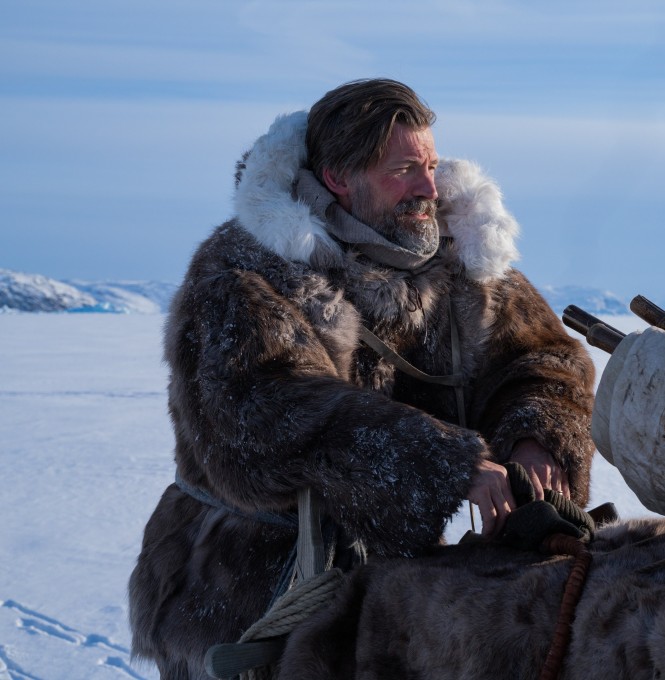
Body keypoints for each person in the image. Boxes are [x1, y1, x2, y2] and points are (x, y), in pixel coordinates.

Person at [128, 78, 596, 679]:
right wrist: (446, 463)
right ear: (337, 178)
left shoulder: (466, 264)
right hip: (241, 581)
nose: (429, 188)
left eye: (429, 165)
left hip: (399, 586)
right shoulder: (244, 270)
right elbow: (266, 410)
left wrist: (535, 435)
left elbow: (541, 362)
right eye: (403, 170)